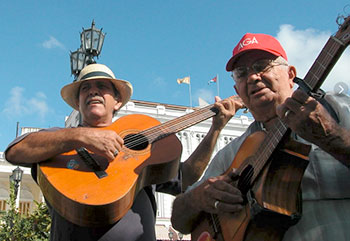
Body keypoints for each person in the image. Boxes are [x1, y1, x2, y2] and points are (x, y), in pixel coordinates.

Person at [5, 63, 237, 241]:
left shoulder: (148, 154)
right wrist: (81, 136)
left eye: (102, 87)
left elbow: (185, 178)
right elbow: (16, 151)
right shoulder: (58, 139)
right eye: (85, 88)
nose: (93, 91)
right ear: (78, 104)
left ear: (117, 102)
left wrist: (215, 129)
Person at [171, 33, 350, 240]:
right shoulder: (233, 152)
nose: (253, 77)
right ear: (236, 89)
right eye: (242, 73)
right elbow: (179, 219)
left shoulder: (338, 110)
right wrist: (198, 197)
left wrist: (332, 137)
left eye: (262, 66)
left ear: (291, 74)